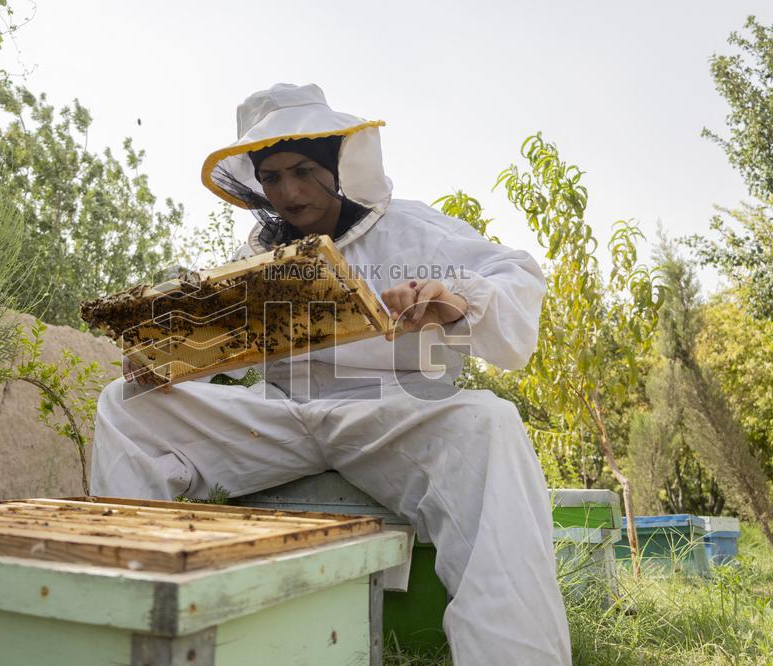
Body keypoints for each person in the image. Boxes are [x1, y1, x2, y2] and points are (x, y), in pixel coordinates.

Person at [91, 83, 572, 665]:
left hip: (391, 412)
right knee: (125, 405)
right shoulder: (254, 255)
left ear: (337, 166)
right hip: (278, 417)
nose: (288, 192)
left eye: (302, 170)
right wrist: (164, 359)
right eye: (272, 177)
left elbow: (516, 276)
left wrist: (453, 297)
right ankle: (126, 630)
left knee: (491, 422)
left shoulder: (415, 230)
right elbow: (227, 359)